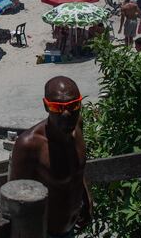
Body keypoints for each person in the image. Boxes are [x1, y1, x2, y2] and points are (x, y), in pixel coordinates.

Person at [9, 76, 92, 237]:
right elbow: (15, 201)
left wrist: (87, 200)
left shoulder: (78, 126)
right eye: (57, 107)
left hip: (72, 227)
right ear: (46, 106)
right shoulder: (30, 145)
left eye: (74, 105)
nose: (67, 113)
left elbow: (77, 171)